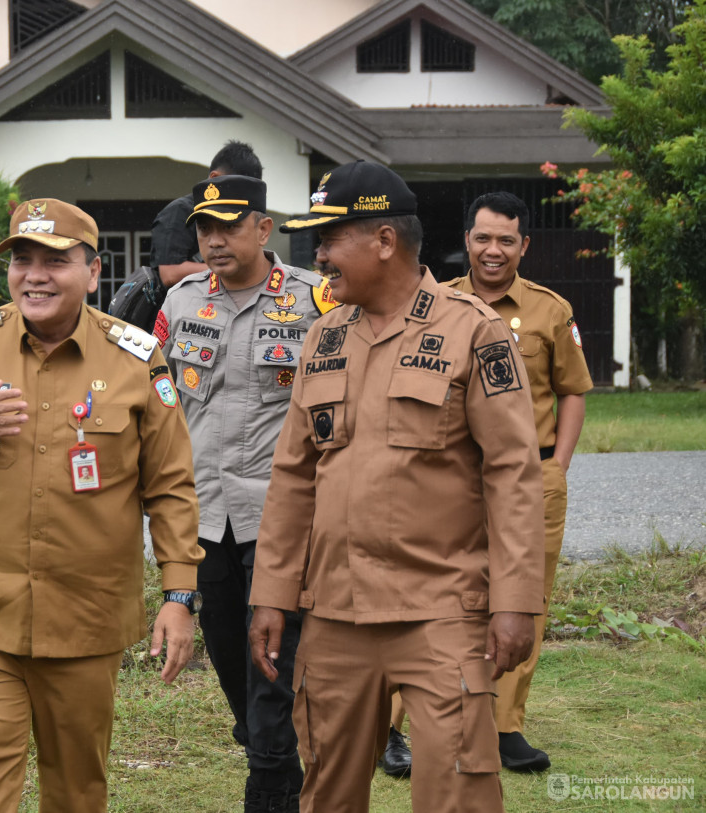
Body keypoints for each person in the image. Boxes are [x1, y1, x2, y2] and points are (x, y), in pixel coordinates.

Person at [247, 161, 545, 813]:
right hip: (333, 613)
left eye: (330, 238)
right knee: (327, 788)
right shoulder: (323, 338)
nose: (318, 254)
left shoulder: (474, 330)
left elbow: (513, 472)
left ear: (384, 240)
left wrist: (516, 599)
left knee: (459, 787)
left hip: (441, 608)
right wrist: (270, 592)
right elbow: (294, 477)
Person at [0, 198, 205, 813]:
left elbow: (170, 486)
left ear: (93, 272)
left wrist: (179, 595)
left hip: (85, 615)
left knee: (77, 786)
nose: (35, 274)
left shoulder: (136, 358)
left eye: (55, 261)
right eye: (23, 260)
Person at [154, 174, 333, 811]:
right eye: (204, 227)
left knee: (273, 668)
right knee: (232, 661)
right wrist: (171, 428)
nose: (213, 240)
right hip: (202, 516)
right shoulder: (181, 301)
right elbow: (159, 381)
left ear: (264, 227)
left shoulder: (316, 301)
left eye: (229, 226)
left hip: (280, 515)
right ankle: (274, 757)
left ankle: (268, 784)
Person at [448, 191, 593, 770]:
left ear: (524, 246)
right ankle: (395, 726)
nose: (493, 250)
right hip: (452, 478)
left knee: (524, 600)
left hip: (532, 476)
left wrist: (558, 465)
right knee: (435, 594)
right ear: (466, 241)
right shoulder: (433, 304)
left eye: (506, 239)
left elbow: (573, 390)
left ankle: (505, 728)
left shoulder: (549, 311)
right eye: (483, 237)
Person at [152, 140, 264, 287]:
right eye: (204, 228)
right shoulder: (180, 211)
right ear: (214, 178)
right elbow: (170, 273)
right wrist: (234, 267)